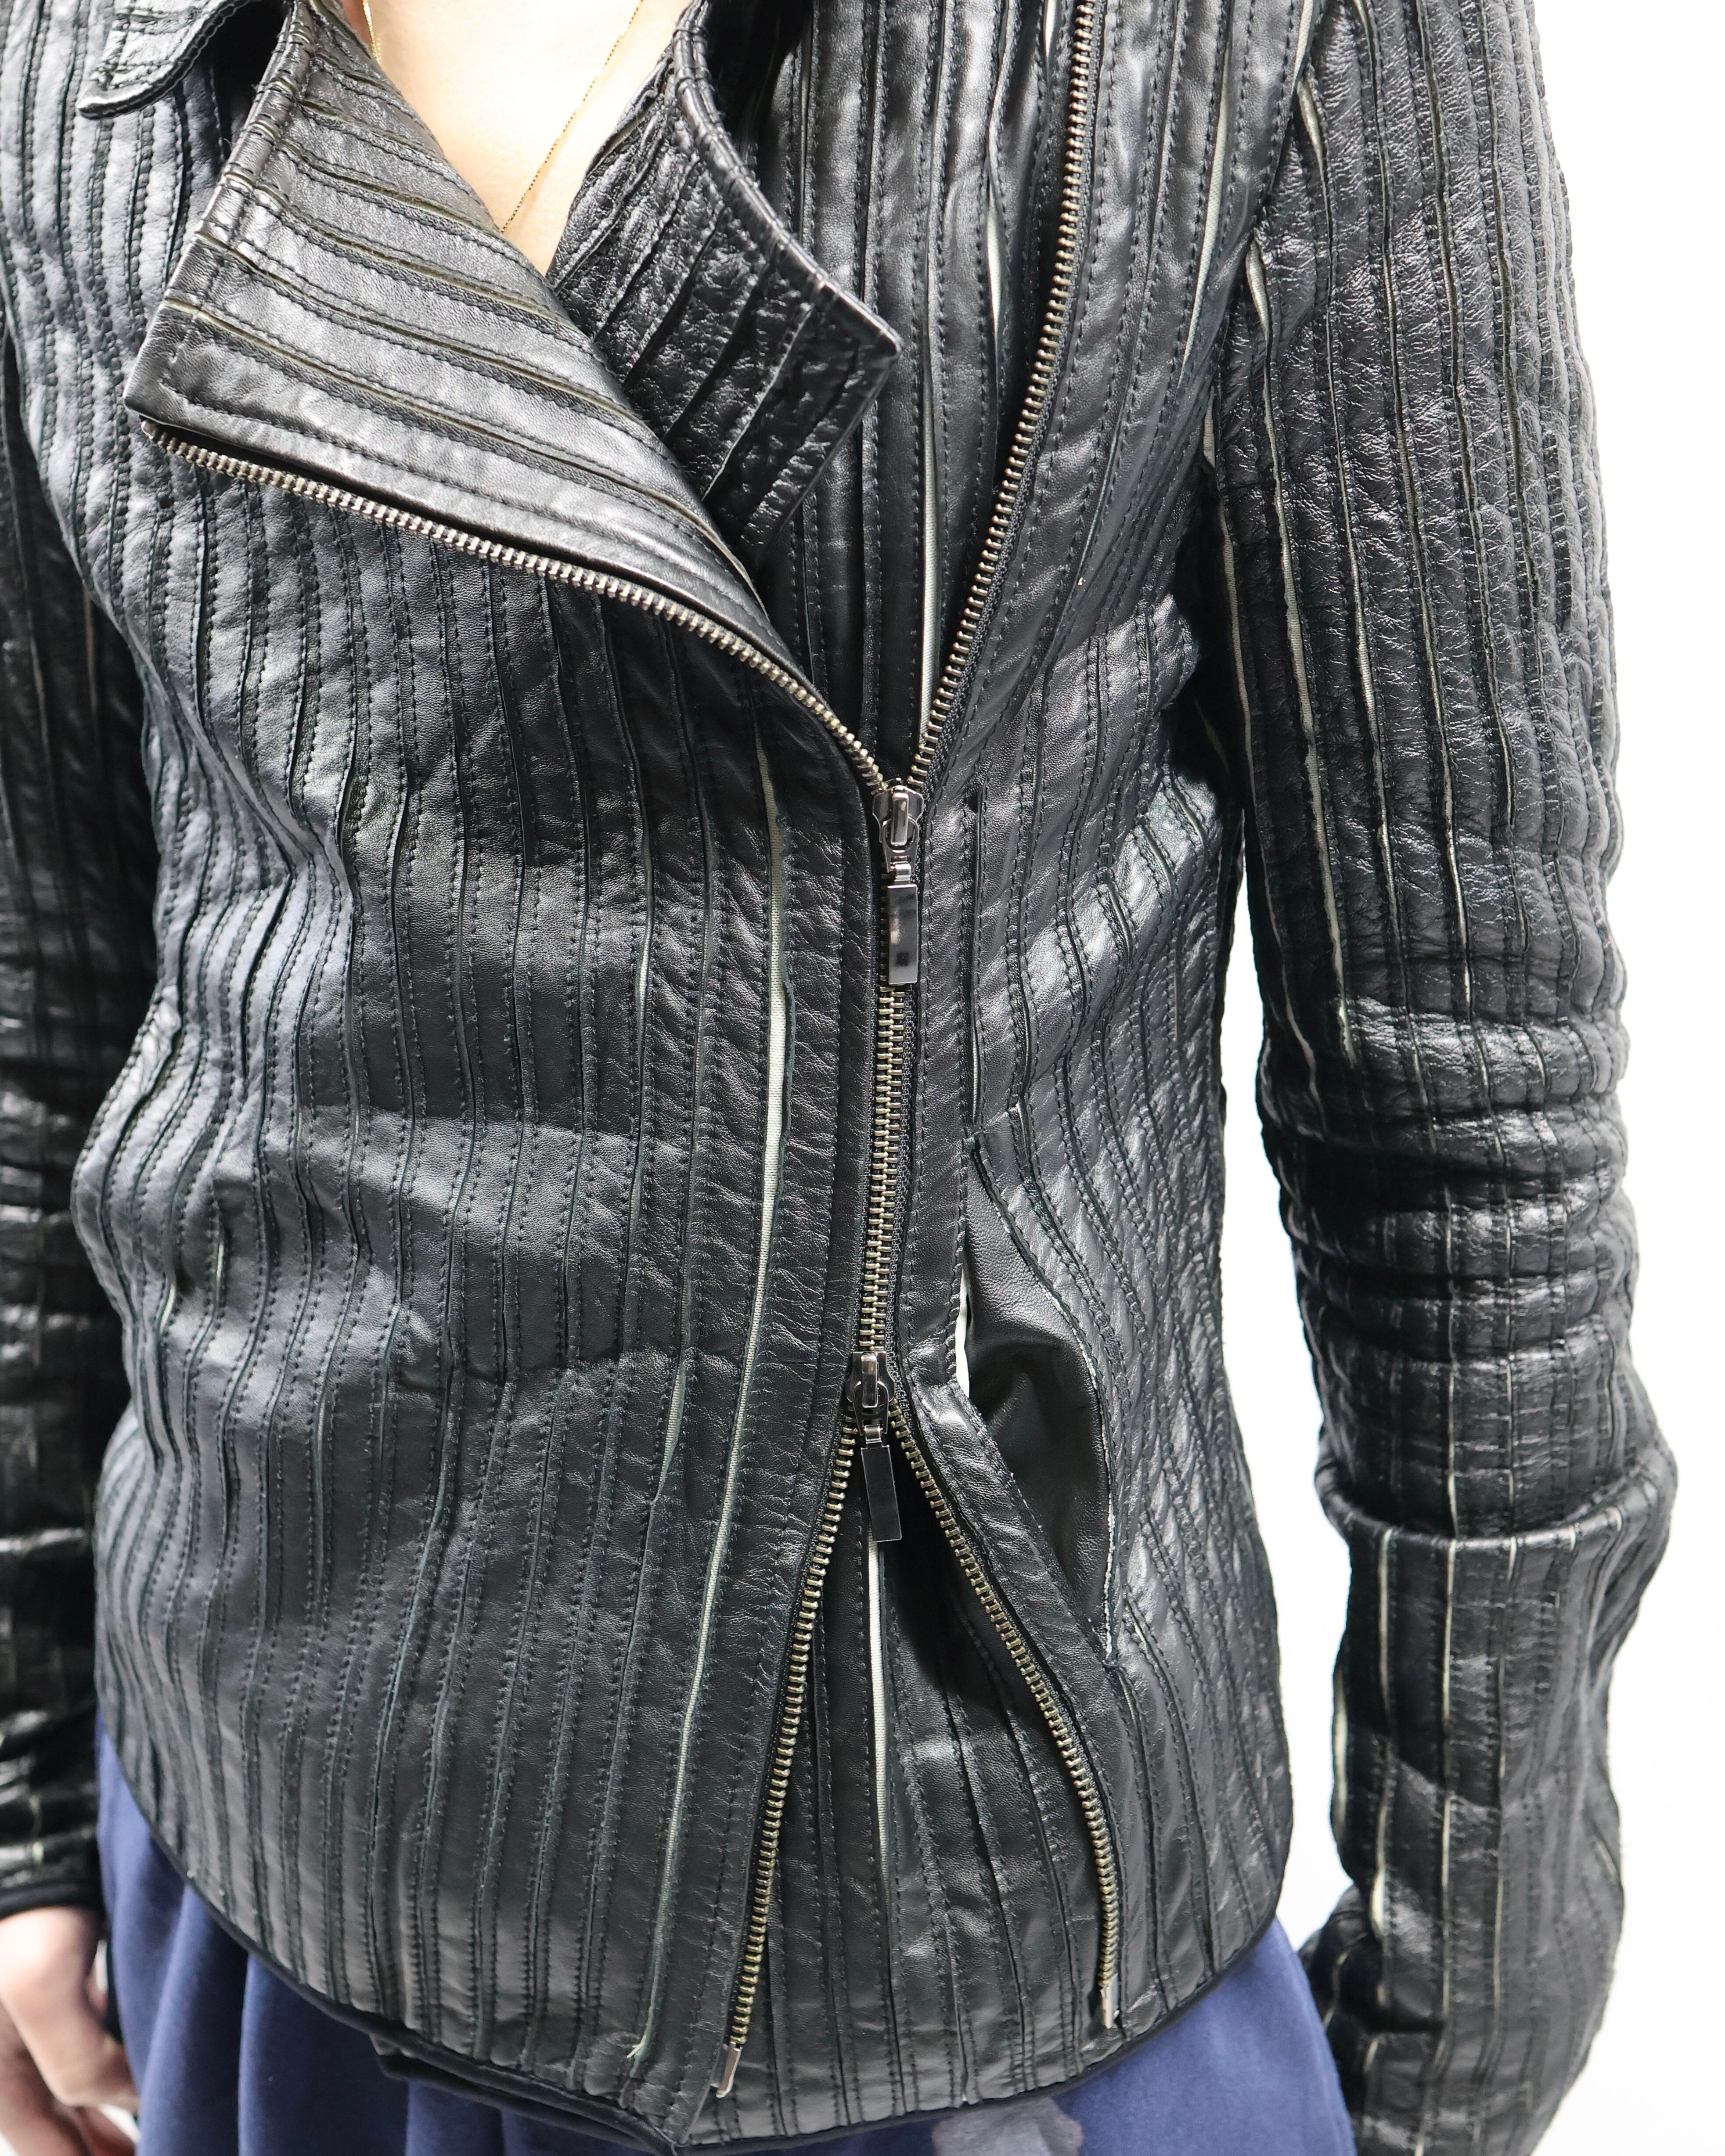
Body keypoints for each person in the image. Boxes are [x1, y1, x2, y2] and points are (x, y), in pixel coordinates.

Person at [0, 0, 1675, 2148]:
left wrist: (1462, 2014)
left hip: (962, 1914)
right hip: (261, 1839)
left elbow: (1456, 1072)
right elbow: (53, 957)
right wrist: (24, 1787)